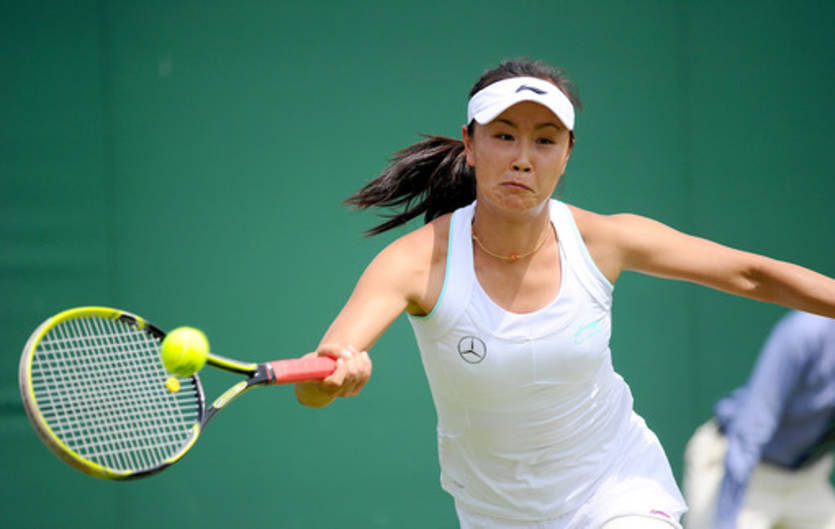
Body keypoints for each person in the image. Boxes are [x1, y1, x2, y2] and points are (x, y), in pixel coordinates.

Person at [292, 58, 835, 529]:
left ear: (567, 154)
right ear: (471, 144)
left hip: (618, 485)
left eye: (545, 140)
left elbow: (751, 274)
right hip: (496, 513)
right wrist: (335, 377)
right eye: (504, 135)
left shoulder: (605, 241)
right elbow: (320, 377)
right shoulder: (414, 262)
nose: (523, 158)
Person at [683, 310, 835, 529]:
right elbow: (751, 429)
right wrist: (725, 522)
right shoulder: (806, 330)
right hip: (739, 467)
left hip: (806, 479)